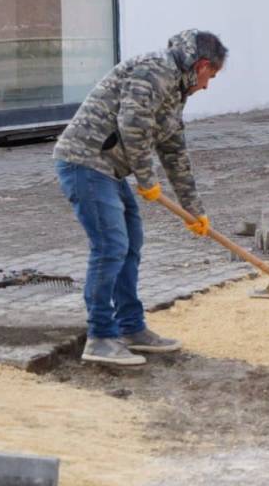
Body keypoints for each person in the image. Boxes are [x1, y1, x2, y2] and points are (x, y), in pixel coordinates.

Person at [53, 29, 226, 366]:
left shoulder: (176, 87)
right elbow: (132, 124)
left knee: (130, 243)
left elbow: (174, 150)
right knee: (110, 246)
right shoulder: (156, 69)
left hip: (110, 170)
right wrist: (147, 180)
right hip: (84, 163)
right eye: (211, 76)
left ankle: (132, 328)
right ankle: (101, 337)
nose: (207, 85)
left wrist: (195, 210)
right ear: (202, 65)